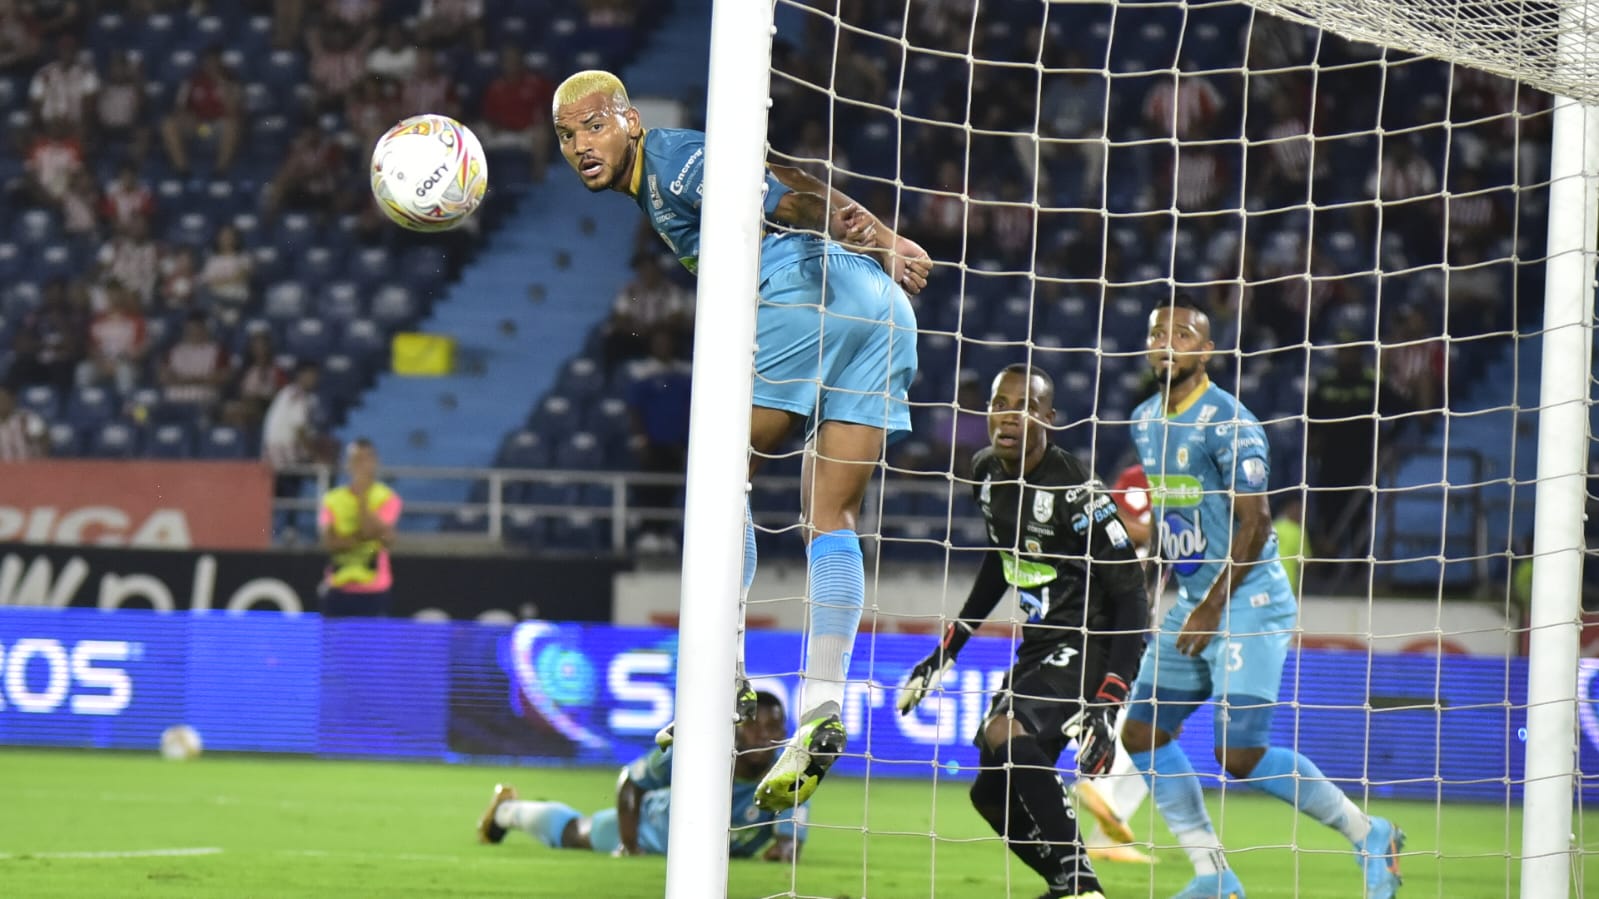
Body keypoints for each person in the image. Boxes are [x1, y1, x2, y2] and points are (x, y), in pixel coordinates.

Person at [551, 70, 930, 812]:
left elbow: (783, 197)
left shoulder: (667, 162)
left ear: (628, 119)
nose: (579, 147)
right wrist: (881, 236)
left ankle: (720, 686)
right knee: (831, 512)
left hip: (803, 289)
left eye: (593, 126)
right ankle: (822, 706)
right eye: (565, 136)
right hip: (879, 308)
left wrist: (826, 217)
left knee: (721, 480)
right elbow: (783, 168)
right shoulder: (688, 156)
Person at [1121, 295, 1403, 899]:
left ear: (1206, 350)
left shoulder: (1231, 422)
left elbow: (1257, 525)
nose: (1167, 343)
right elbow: (1178, 520)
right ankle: (1213, 877)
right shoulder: (1144, 419)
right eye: (1157, 333)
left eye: (1184, 335)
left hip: (1246, 599)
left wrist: (1211, 606)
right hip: (1194, 600)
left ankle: (1369, 831)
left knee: (1239, 753)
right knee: (1142, 733)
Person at [895, 364, 1147, 899]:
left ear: (1048, 418)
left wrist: (1108, 700)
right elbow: (1000, 561)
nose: (1008, 416)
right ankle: (1067, 885)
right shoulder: (984, 471)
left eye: (1025, 406)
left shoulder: (1077, 490)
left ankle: (1083, 888)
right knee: (989, 794)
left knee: (1005, 733)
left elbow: (1133, 601)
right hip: (1040, 644)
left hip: (1089, 640)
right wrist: (946, 652)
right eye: (999, 402)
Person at [477, 691, 805, 861]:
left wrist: (784, 850)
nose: (764, 736)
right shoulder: (697, 754)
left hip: (707, 851)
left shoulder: (789, 774)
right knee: (574, 834)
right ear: (736, 729)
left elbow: (789, 838)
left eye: (773, 727)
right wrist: (630, 844)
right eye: (754, 726)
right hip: (651, 827)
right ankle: (507, 810)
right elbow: (630, 781)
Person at [317, 438, 402, 617]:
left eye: (366, 459)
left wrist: (362, 499)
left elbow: (368, 531)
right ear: (348, 464)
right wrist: (371, 537)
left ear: (375, 462)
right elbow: (330, 544)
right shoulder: (332, 499)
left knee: (370, 644)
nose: (362, 465)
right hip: (338, 588)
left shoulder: (388, 498)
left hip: (375, 590)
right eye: (357, 460)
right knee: (334, 645)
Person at [0, 384, 48, 460]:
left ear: (11, 400)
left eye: (4, 398)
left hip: (28, 466)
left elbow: (45, 441)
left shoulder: (27, 418)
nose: (2, 403)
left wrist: (32, 438)